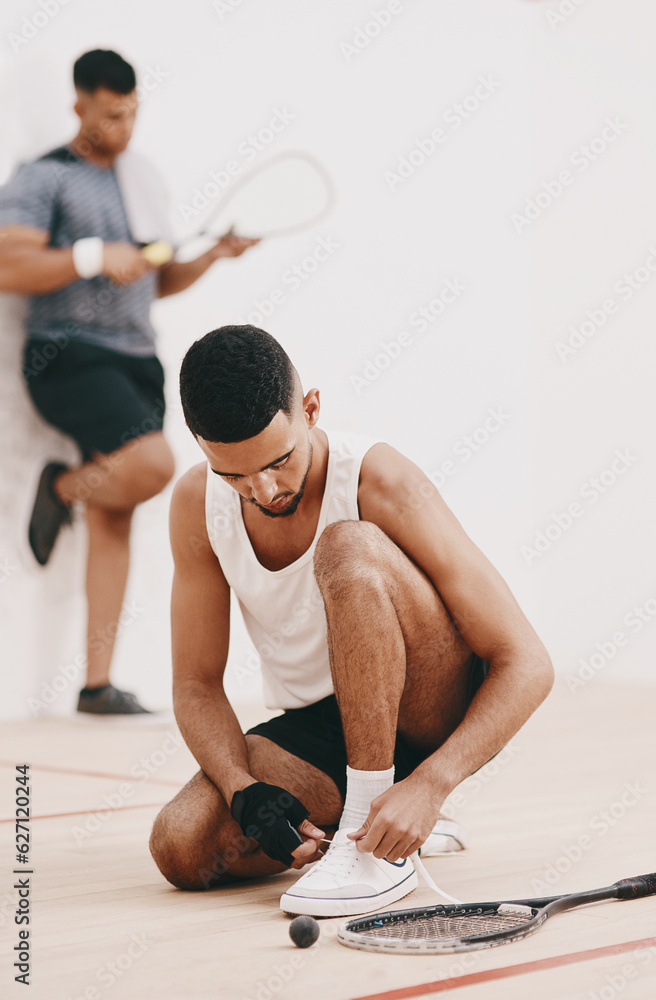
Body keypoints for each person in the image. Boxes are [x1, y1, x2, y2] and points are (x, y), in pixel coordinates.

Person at [148, 324, 554, 917]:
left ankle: (379, 831)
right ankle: (377, 827)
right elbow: (196, 683)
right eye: (234, 474)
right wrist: (244, 793)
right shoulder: (196, 505)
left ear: (310, 409)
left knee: (346, 547)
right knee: (181, 845)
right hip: (322, 724)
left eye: (277, 462)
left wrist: (432, 784)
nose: (262, 489)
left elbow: (528, 663)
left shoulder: (380, 478)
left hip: (425, 711)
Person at [0, 50, 257, 715]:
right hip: (68, 355)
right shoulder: (43, 176)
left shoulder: (142, 178)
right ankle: (60, 486)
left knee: (113, 516)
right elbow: (7, 264)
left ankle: (95, 684)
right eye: (112, 113)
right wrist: (89, 256)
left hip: (138, 359)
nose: (125, 126)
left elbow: (157, 278)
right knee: (151, 466)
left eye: (134, 112)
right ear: (80, 106)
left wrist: (208, 258)